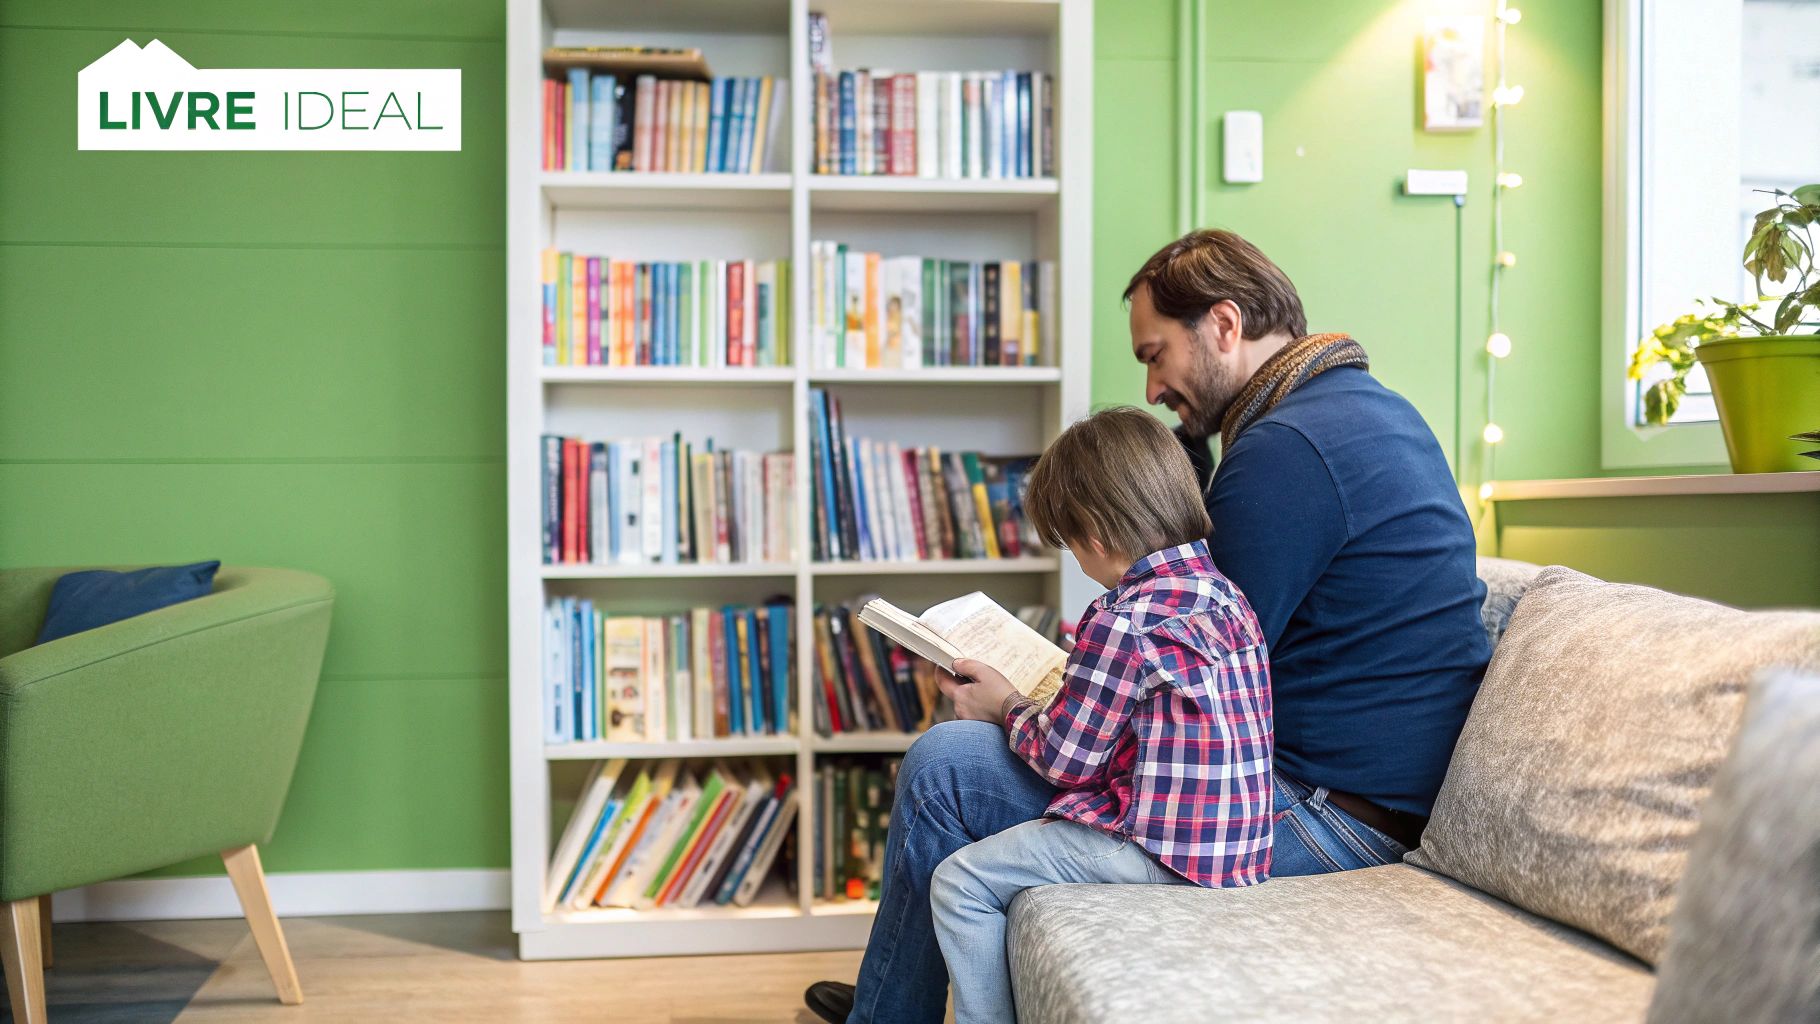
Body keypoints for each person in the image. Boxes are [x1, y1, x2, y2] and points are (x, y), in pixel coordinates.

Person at [804, 229, 1490, 1024]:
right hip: (1363, 796)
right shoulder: (1366, 412)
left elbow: (1170, 660)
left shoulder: (1283, 452)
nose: (1155, 386)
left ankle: (891, 1013)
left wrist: (1015, 699)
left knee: (946, 764)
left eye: (1156, 353)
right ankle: (894, 1004)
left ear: (1225, 325)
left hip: (1325, 812)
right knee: (960, 759)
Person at [925, 406, 1273, 1024]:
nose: (1076, 562)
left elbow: (1066, 761)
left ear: (1097, 534)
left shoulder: (1123, 619)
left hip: (1162, 854)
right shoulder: (1227, 596)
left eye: (1069, 543)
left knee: (961, 884)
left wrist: (1007, 703)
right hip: (1238, 853)